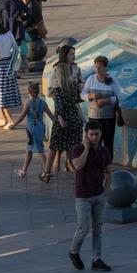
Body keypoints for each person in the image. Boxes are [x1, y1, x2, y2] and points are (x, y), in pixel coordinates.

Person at [69, 122, 112, 271]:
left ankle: (96, 259)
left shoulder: (104, 151)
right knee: (83, 228)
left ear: (100, 134)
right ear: (86, 135)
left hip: (99, 196)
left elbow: (109, 172)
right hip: (83, 196)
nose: (94, 137)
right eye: (91, 134)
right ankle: (74, 252)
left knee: (98, 229)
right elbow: (77, 166)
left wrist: (105, 192)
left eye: (97, 134)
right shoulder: (77, 149)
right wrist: (87, 148)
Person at [46, 45, 83, 181]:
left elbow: (80, 83)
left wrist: (79, 86)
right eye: (71, 54)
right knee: (57, 140)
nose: (73, 56)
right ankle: (49, 169)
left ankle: (69, 162)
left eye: (74, 54)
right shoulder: (58, 69)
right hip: (62, 108)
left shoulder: (76, 69)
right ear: (65, 55)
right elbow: (52, 91)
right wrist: (60, 105)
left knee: (72, 137)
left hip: (72, 106)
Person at [9, 80, 49, 180]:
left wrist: (14, 124)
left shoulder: (28, 103)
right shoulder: (43, 102)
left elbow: (22, 117)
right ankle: (23, 170)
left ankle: (47, 171)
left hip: (31, 130)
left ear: (29, 93)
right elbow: (51, 115)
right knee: (29, 149)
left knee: (39, 150)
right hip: (41, 127)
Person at [83, 56, 121, 159]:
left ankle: (108, 165)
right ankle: (94, 164)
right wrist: (91, 96)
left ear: (106, 67)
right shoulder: (91, 79)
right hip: (94, 117)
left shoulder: (113, 80)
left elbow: (119, 97)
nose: (97, 69)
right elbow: (82, 94)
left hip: (108, 117)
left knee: (108, 143)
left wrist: (107, 101)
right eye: (96, 67)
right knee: (94, 143)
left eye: (100, 67)